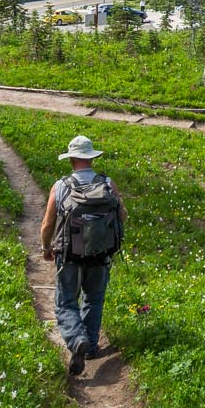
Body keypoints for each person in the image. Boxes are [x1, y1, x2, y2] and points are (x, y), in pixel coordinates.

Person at [39, 135, 125, 374]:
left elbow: (47, 224)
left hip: (69, 255)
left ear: (72, 159)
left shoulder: (61, 186)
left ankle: (77, 339)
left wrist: (46, 248)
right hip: (101, 254)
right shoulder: (107, 183)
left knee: (66, 301)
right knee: (94, 298)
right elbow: (122, 216)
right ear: (91, 158)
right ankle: (90, 346)